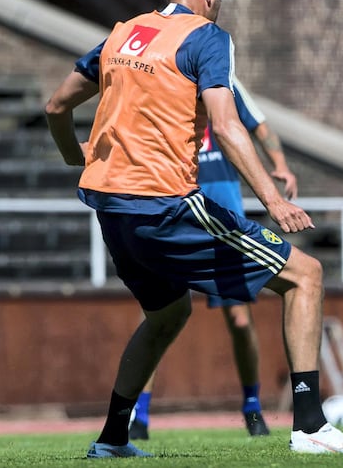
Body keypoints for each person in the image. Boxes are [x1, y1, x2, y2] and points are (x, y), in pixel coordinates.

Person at [44, 0, 343, 458]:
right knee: (305, 276)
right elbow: (225, 125)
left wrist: (77, 156)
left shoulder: (122, 33)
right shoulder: (207, 37)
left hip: (112, 208)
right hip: (166, 204)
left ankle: (113, 439)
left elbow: (55, 105)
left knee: (167, 314)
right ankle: (310, 425)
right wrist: (273, 198)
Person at [129, 75, 298, 440]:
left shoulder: (223, 81)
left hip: (222, 216)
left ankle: (252, 406)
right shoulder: (161, 74)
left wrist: (280, 164)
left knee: (239, 320)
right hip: (174, 210)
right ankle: (138, 415)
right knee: (157, 318)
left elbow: (260, 126)